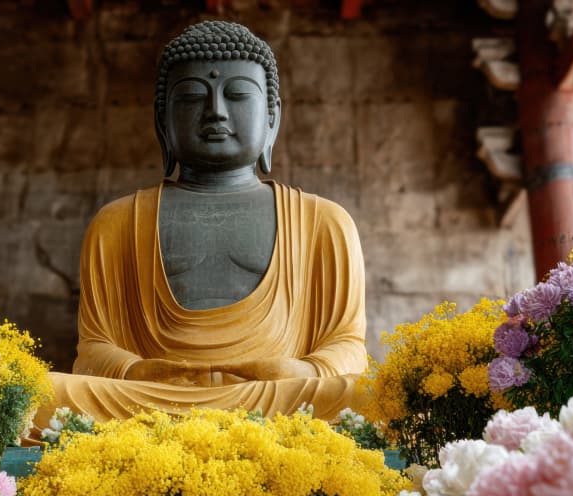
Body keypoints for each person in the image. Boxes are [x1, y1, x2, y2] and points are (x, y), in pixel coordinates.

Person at [32, 21, 367, 429]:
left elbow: (347, 346)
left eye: (239, 94)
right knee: (43, 393)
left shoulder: (323, 221)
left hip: (277, 397)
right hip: (150, 398)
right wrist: (137, 373)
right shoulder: (117, 223)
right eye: (192, 96)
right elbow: (94, 349)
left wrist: (306, 374)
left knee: (370, 395)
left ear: (272, 120)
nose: (217, 112)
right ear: (162, 122)